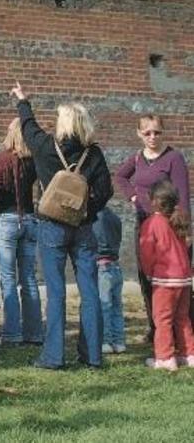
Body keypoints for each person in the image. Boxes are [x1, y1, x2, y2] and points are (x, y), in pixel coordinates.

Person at [11, 82, 113, 370]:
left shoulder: (44, 147)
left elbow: (28, 126)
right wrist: (85, 212)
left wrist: (23, 99)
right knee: (89, 291)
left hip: (51, 225)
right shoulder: (93, 154)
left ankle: (53, 357)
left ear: (62, 123)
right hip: (82, 228)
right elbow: (105, 191)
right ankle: (92, 356)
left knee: (55, 292)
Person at [115, 114, 191, 339]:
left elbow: (183, 197)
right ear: (139, 134)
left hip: (169, 227)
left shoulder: (173, 158)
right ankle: (156, 327)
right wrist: (132, 197)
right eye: (147, 132)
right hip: (144, 225)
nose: (152, 137)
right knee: (147, 276)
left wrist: (185, 231)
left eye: (156, 132)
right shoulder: (137, 158)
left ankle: (182, 330)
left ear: (162, 132)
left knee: (176, 280)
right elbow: (120, 176)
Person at [0, 118, 42, 346]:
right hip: (30, 219)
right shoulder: (34, 159)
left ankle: (12, 333)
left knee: (8, 278)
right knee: (29, 278)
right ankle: (35, 333)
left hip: (8, 220)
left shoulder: (3, 158)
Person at [139, 180, 194, 371]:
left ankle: (165, 357)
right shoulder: (178, 220)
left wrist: (148, 273)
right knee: (182, 318)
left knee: (162, 319)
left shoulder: (151, 223)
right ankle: (188, 354)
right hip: (184, 278)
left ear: (153, 200)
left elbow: (147, 253)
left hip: (164, 279)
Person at [92, 208, 126, 354]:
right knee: (117, 306)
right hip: (115, 265)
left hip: (102, 266)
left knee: (104, 305)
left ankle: (105, 341)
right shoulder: (115, 217)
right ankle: (119, 341)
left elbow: (98, 242)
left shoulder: (95, 218)